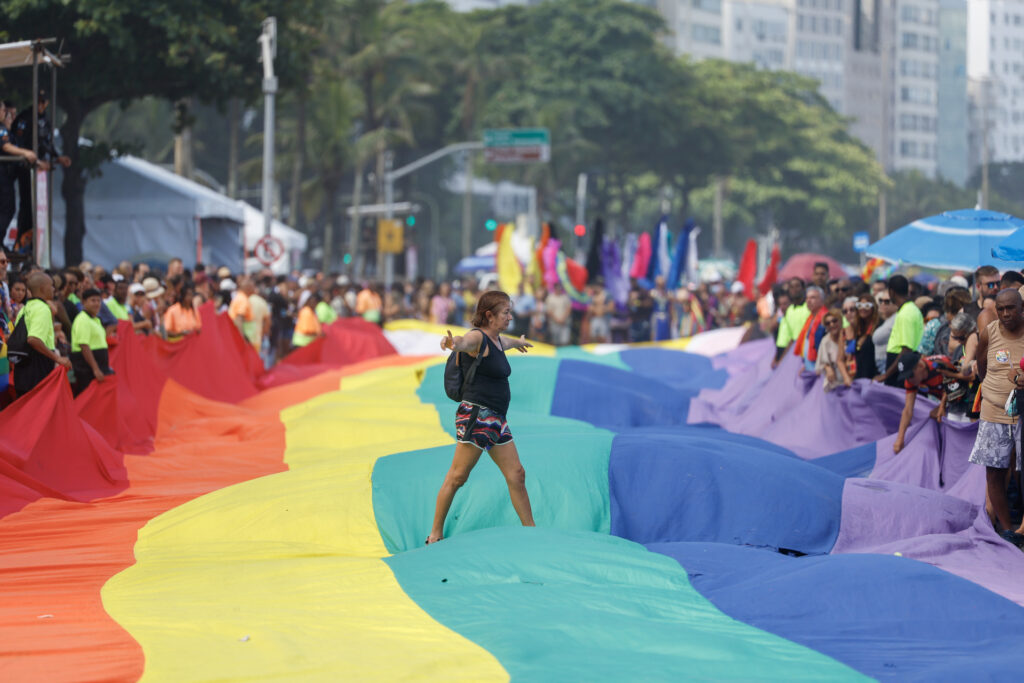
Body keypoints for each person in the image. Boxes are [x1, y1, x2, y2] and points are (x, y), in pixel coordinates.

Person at [427, 291, 535, 545]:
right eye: (505, 312)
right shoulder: (478, 338)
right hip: (478, 416)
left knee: (517, 474)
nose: (510, 316)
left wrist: (517, 342)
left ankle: (532, 532)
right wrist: (453, 343)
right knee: (457, 477)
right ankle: (434, 535)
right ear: (489, 316)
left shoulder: (496, 340)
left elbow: (503, 343)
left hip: (496, 419)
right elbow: (465, 342)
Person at [969, 288, 1024, 547]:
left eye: (1010, 308)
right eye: (1000, 309)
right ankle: (1007, 529)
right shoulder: (988, 333)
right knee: (994, 471)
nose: (1004, 314)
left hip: (1022, 415)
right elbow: (981, 366)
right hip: (993, 412)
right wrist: (992, 391)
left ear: (1021, 308)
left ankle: (1022, 529)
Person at [11, 91, 71, 246]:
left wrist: (56, 157)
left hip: (39, 170)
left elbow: (46, 143)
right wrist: (34, 161)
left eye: (43, 102)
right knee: (26, 205)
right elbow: (18, 142)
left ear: (47, 103)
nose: (40, 105)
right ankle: (22, 239)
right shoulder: (25, 117)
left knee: (38, 207)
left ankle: (33, 241)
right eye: (38, 101)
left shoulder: (45, 120)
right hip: (26, 167)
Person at [891, 351, 964, 454]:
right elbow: (908, 410)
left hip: (962, 395)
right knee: (933, 415)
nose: (909, 380)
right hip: (948, 401)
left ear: (920, 366)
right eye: (906, 376)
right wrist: (900, 439)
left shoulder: (939, 366)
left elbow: (956, 383)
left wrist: (942, 405)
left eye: (911, 375)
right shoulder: (910, 380)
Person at [12, 272, 70, 396]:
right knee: (38, 412)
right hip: (37, 369)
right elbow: (33, 339)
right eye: (51, 286)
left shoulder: (24, 309)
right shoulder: (42, 308)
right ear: (43, 288)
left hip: (22, 371)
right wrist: (57, 358)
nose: (54, 289)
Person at [876, 275, 924, 387]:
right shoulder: (911, 309)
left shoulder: (906, 313)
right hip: (903, 363)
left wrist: (886, 375)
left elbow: (906, 349)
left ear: (891, 292)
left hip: (901, 367)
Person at [70, 289, 113, 396]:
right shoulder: (82, 320)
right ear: (83, 302)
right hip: (86, 368)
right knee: (87, 396)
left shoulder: (96, 320)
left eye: (98, 301)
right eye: (93, 301)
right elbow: (84, 346)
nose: (97, 304)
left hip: (98, 365)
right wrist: (96, 369)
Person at [772, 277, 809, 368]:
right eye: (791, 287)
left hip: (808, 352)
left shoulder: (809, 306)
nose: (794, 289)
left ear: (803, 289)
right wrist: (779, 359)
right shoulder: (789, 311)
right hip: (795, 355)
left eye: (797, 286)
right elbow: (790, 340)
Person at [815, 308, 852, 392]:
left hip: (851, 379)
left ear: (840, 321)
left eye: (834, 321)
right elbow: (820, 363)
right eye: (828, 323)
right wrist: (827, 368)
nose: (832, 324)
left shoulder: (848, 334)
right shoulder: (825, 341)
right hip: (835, 385)